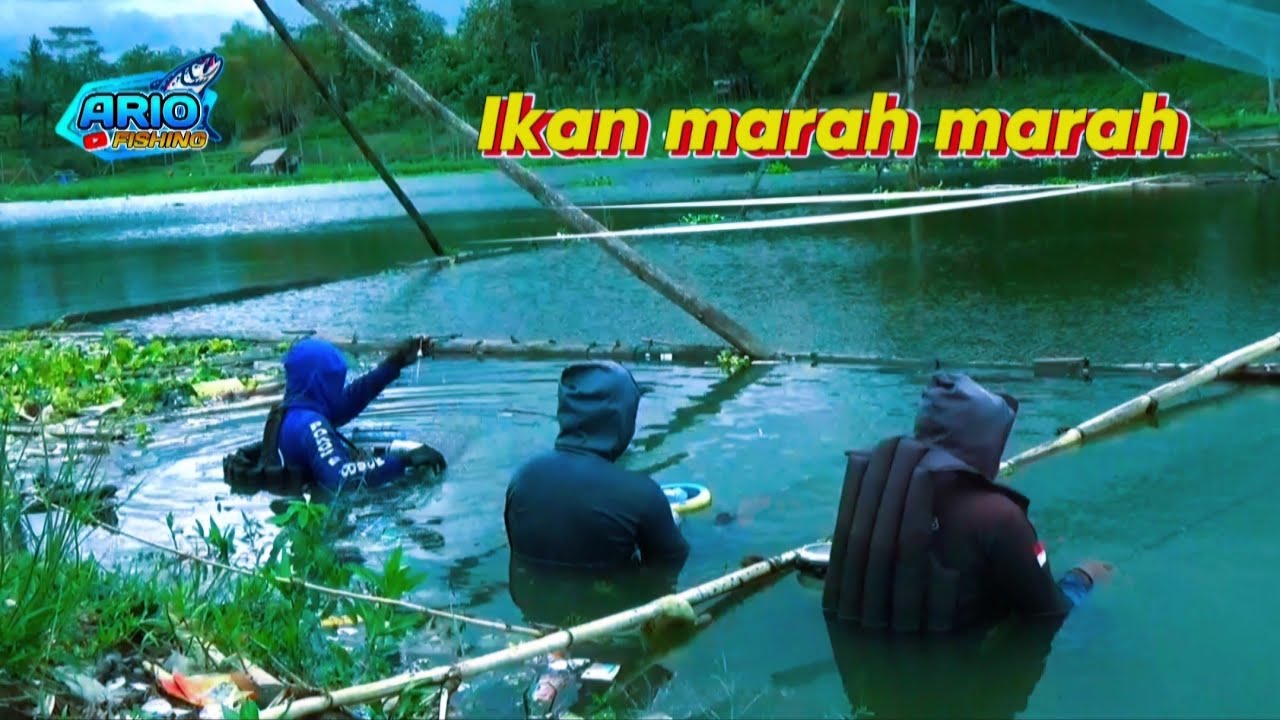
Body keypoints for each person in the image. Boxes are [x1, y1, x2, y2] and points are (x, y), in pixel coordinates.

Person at [823, 371, 1111, 633]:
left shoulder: (880, 491)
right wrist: (1084, 576)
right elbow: (1050, 611)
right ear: (986, 442)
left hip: (867, 659)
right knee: (1098, 595)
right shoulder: (999, 517)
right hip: (954, 669)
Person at [504, 360, 690, 570]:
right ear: (623, 418)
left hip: (529, 598)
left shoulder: (522, 479)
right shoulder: (641, 494)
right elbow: (672, 564)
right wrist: (672, 521)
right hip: (617, 599)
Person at [234, 336, 447, 494]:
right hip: (327, 522)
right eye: (334, 381)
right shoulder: (312, 424)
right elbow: (341, 478)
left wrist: (395, 363)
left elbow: (351, 399)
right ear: (319, 382)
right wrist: (403, 461)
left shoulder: (292, 413)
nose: (339, 388)